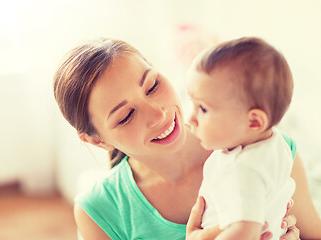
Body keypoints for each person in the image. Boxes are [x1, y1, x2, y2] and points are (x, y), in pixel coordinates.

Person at [53, 38, 321, 240]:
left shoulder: (265, 148)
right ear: (98, 141)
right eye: (126, 116)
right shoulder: (98, 212)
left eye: (153, 85)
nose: (158, 113)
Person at [186, 37, 295, 240]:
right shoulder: (275, 143)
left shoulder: (242, 168)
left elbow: (245, 233)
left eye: (203, 108)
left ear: (254, 122)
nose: (190, 118)